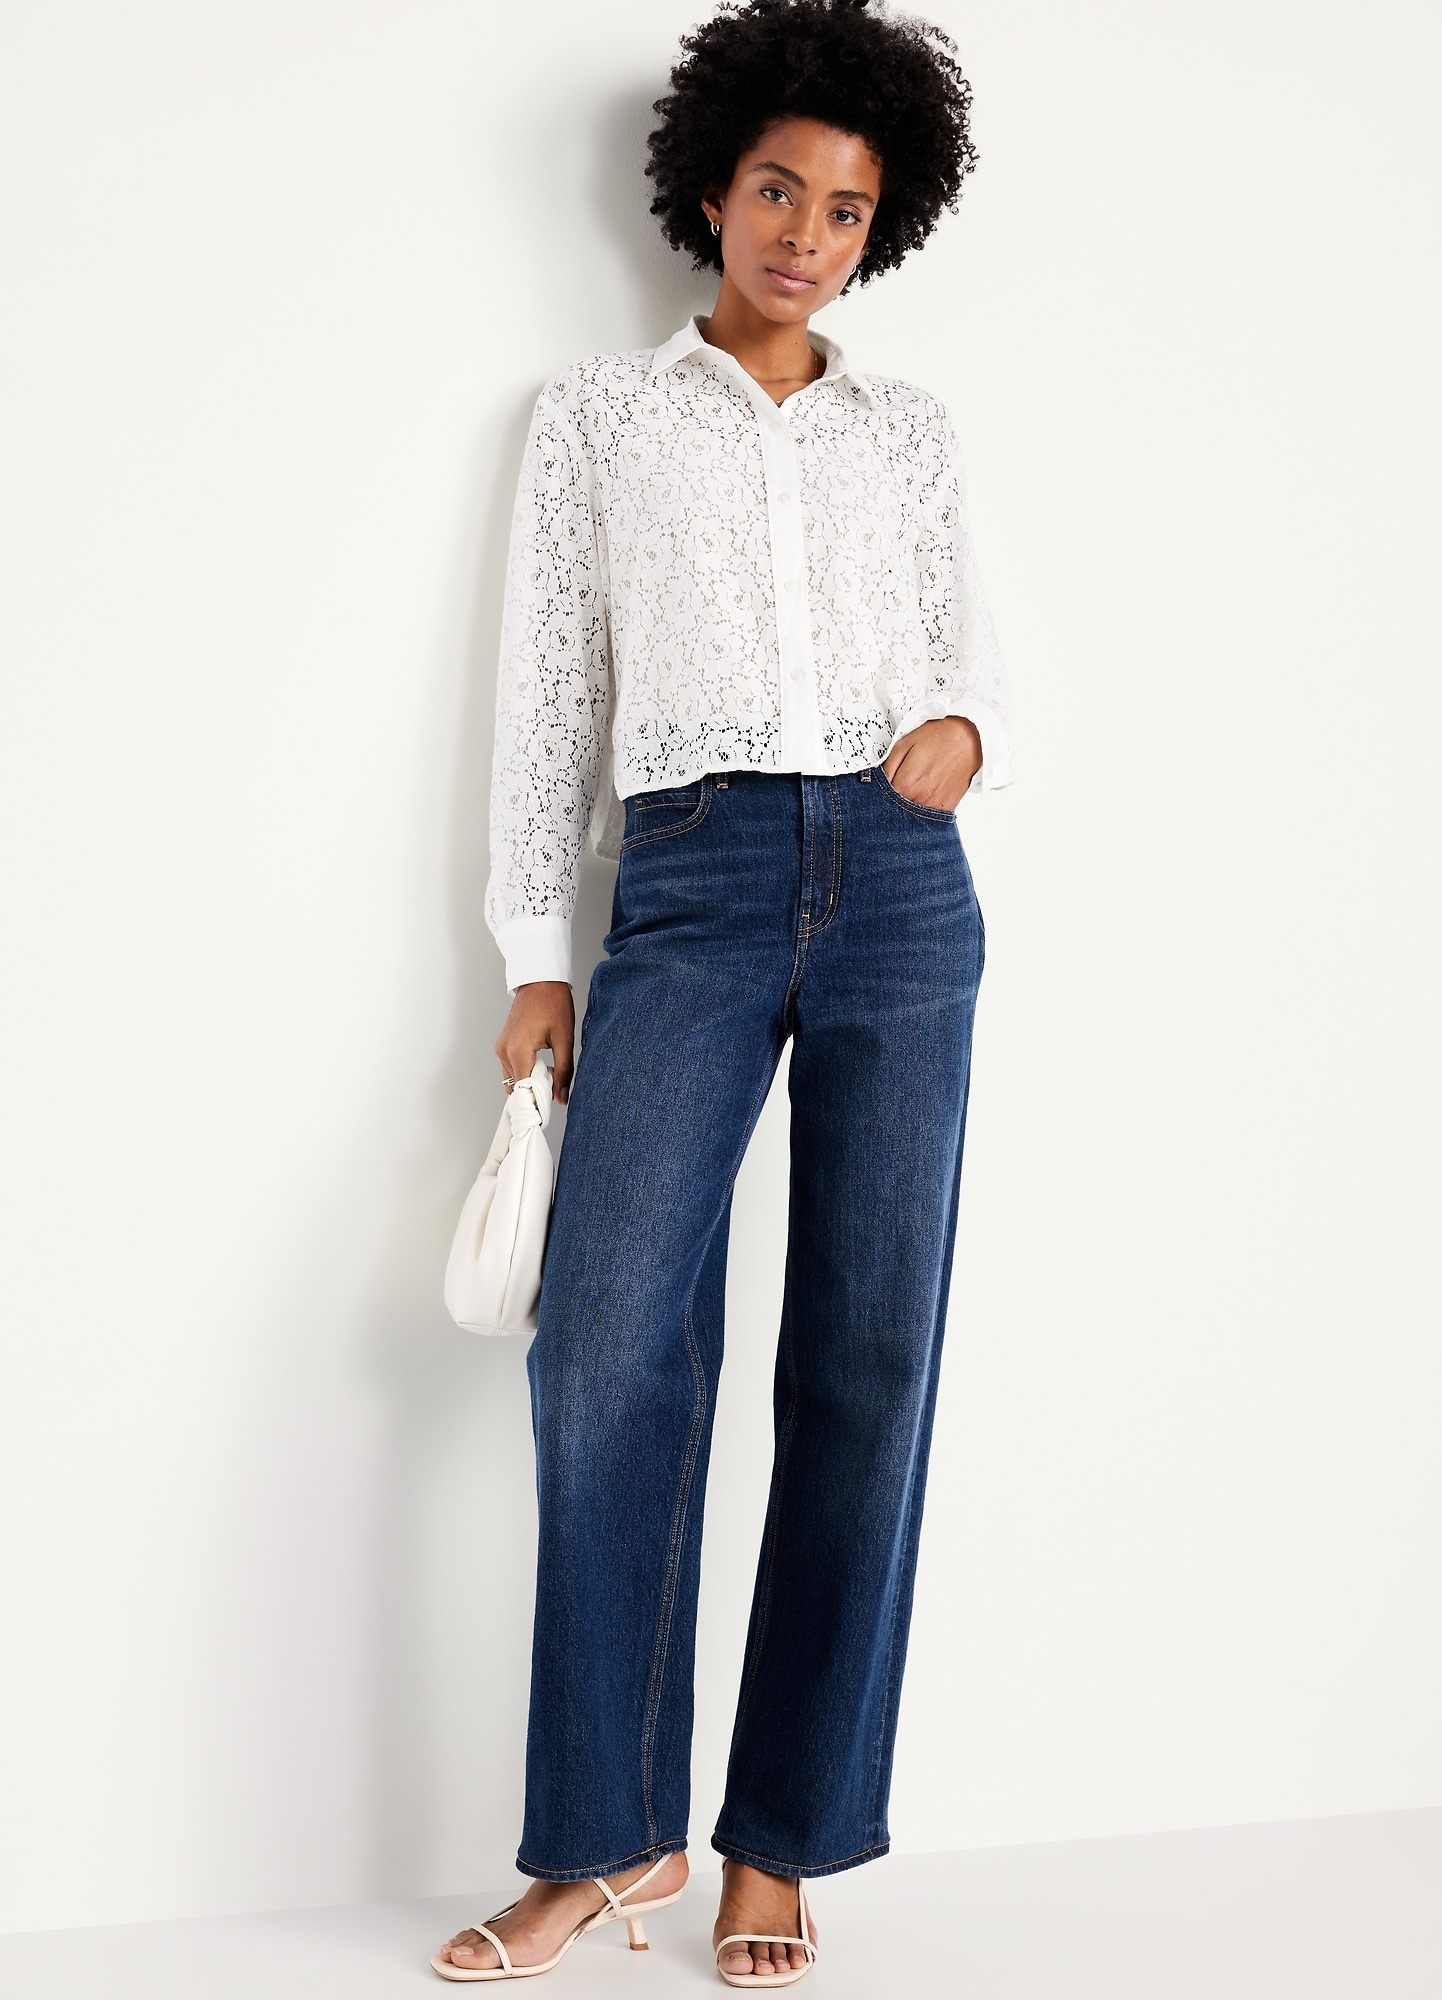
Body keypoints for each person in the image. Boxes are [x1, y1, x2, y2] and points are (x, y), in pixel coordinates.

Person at [433, 0, 1010, 1983]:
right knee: (605, 1351)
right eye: (778, 190)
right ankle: (608, 1839)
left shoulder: (909, 430)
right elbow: (550, 694)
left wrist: (965, 731)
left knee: (867, 1361)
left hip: (902, 891)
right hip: (684, 882)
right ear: (709, 189)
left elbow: (970, 650)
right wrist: (533, 952)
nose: (805, 234)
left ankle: (784, 1840)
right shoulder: (597, 418)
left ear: (880, 228)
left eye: (845, 210)